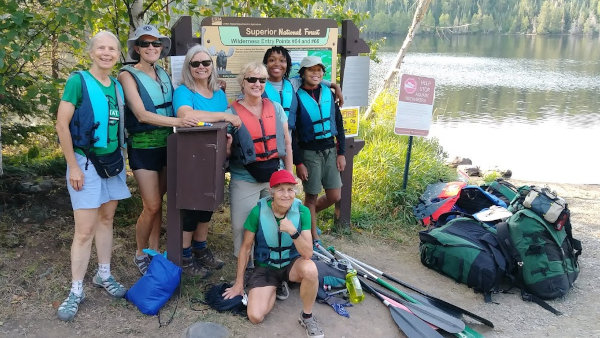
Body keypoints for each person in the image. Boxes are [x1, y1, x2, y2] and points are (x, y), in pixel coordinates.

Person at [55, 31, 130, 321]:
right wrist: (72, 166)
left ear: (117, 54)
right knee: (84, 230)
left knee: (106, 219)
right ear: (91, 52)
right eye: (101, 48)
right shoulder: (78, 81)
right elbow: (62, 125)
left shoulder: (117, 85)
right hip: (85, 164)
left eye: (112, 48)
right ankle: (75, 290)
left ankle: (104, 275)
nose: (106, 53)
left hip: (112, 164)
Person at [118, 24, 197, 276]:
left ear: (162, 48)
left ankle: (154, 250)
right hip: (143, 148)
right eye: (145, 44)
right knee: (151, 205)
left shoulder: (163, 73)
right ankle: (140, 253)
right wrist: (178, 122)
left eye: (155, 44)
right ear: (136, 48)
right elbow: (141, 114)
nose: (151, 48)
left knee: (160, 202)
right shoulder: (127, 75)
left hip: (168, 146)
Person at [223, 170, 324, 338]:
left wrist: (293, 231)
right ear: (271, 192)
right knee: (255, 316)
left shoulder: (302, 211)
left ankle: (307, 316)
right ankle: (275, 287)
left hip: (291, 265)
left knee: (311, 269)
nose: (286, 195)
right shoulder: (258, 212)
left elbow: (307, 253)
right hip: (266, 268)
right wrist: (239, 283)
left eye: (290, 189)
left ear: (295, 191)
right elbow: (245, 248)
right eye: (280, 190)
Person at [173, 44, 242, 277]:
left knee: (208, 207)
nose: (201, 67)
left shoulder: (219, 93)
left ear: (212, 66)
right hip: (192, 159)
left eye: (205, 63)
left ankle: (200, 249)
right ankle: (184, 256)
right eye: (195, 63)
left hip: (216, 157)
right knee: (193, 207)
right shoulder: (184, 92)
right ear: (188, 67)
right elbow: (186, 116)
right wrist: (224, 115)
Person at [227, 61, 293, 260]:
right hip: (244, 178)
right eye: (252, 79)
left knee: (274, 224)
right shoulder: (230, 113)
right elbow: (226, 155)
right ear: (243, 83)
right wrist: (228, 145)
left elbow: (287, 145)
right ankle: (245, 270)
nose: (257, 84)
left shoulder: (276, 108)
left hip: (274, 177)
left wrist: (288, 177)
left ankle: (273, 268)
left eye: (261, 80)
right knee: (242, 226)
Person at [292, 56, 346, 246]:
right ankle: (313, 237)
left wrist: (341, 153)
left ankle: (305, 218)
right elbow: (294, 134)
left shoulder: (328, 93)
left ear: (323, 73)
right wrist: (298, 162)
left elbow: (338, 124)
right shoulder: (296, 95)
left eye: (319, 70)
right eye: (310, 70)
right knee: (311, 196)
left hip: (330, 150)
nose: (315, 73)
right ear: (303, 73)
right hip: (309, 153)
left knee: (335, 195)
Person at [261, 46, 344, 128]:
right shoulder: (259, 85)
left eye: (282, 60)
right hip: (267, 135)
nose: (277, 64)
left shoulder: (292, 84)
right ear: (266, 64)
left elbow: (314, 80)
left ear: (288, 65)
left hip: (289, 137)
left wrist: (335, 86)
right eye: (272, 60)